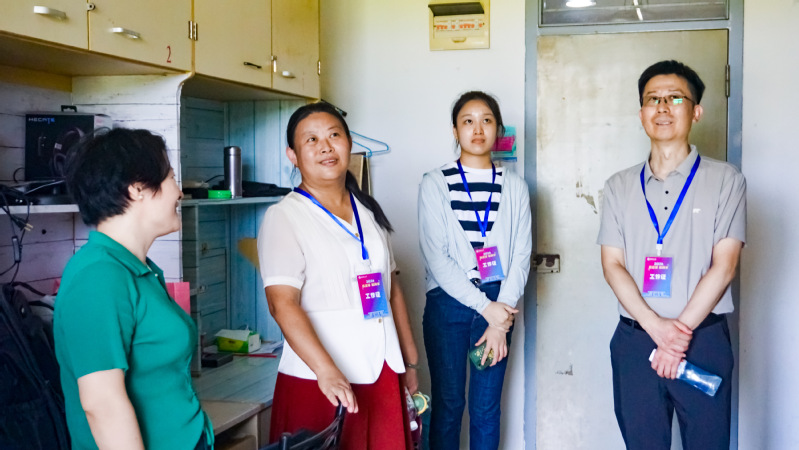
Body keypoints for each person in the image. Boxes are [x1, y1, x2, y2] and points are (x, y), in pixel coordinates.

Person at [598, 60, 746, 449]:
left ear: (696, 111)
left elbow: (725, 266)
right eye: (653, 99)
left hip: (703, 341)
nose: (662, 106)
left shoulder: (726, 180)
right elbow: (612, 266)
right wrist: (658, 330)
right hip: (636, 343)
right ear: (641, 113)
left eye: (675, 98)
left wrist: (676, 336)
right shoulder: (618, 186)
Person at [257, 102, 420, 449]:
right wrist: (325, 369)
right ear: (292, 155)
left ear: (349, 144)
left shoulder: (367, 210)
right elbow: (281, 304)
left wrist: (409, 361)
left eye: (334, 135)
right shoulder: (283, 217)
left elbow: (391, 288)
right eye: (312, 140)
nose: (326, 147)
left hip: (383, 369)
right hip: (322, 379)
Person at [54, 128, 213, 450]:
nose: (179, 192)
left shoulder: (134, 269)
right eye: (171, 178)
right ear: (138, 188)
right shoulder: (98, 276)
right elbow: (102, 405)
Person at [418, 91, 532, 450]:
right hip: (448, 304)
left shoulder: (515, 186)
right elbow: (437, 257)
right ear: (456, 130)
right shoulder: (435, 182)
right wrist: (486, 308)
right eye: (468, 121)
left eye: (486, 120)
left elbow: (521, 256)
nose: (477, 129)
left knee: (486, 408)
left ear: (498, 129)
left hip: (501, 302)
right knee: (449, 405)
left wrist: (499, 319)